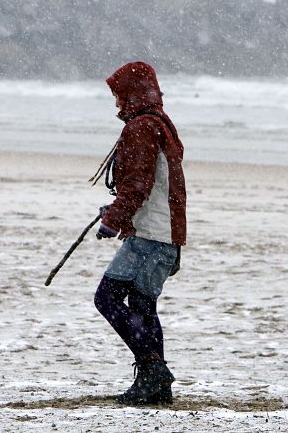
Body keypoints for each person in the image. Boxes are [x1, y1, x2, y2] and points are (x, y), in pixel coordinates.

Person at [91, 61, 186, 405]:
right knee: (144, 307)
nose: (117, 103)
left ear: (133, 93)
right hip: (167, 234)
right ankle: (157, 389)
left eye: (119, 95)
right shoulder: (162, 124)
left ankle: (153, 370)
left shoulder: (142, 127)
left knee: (107, 298)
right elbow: (157, 187)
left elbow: (138, 184)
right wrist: (118, 211)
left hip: (150, 235)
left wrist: (113, 219)